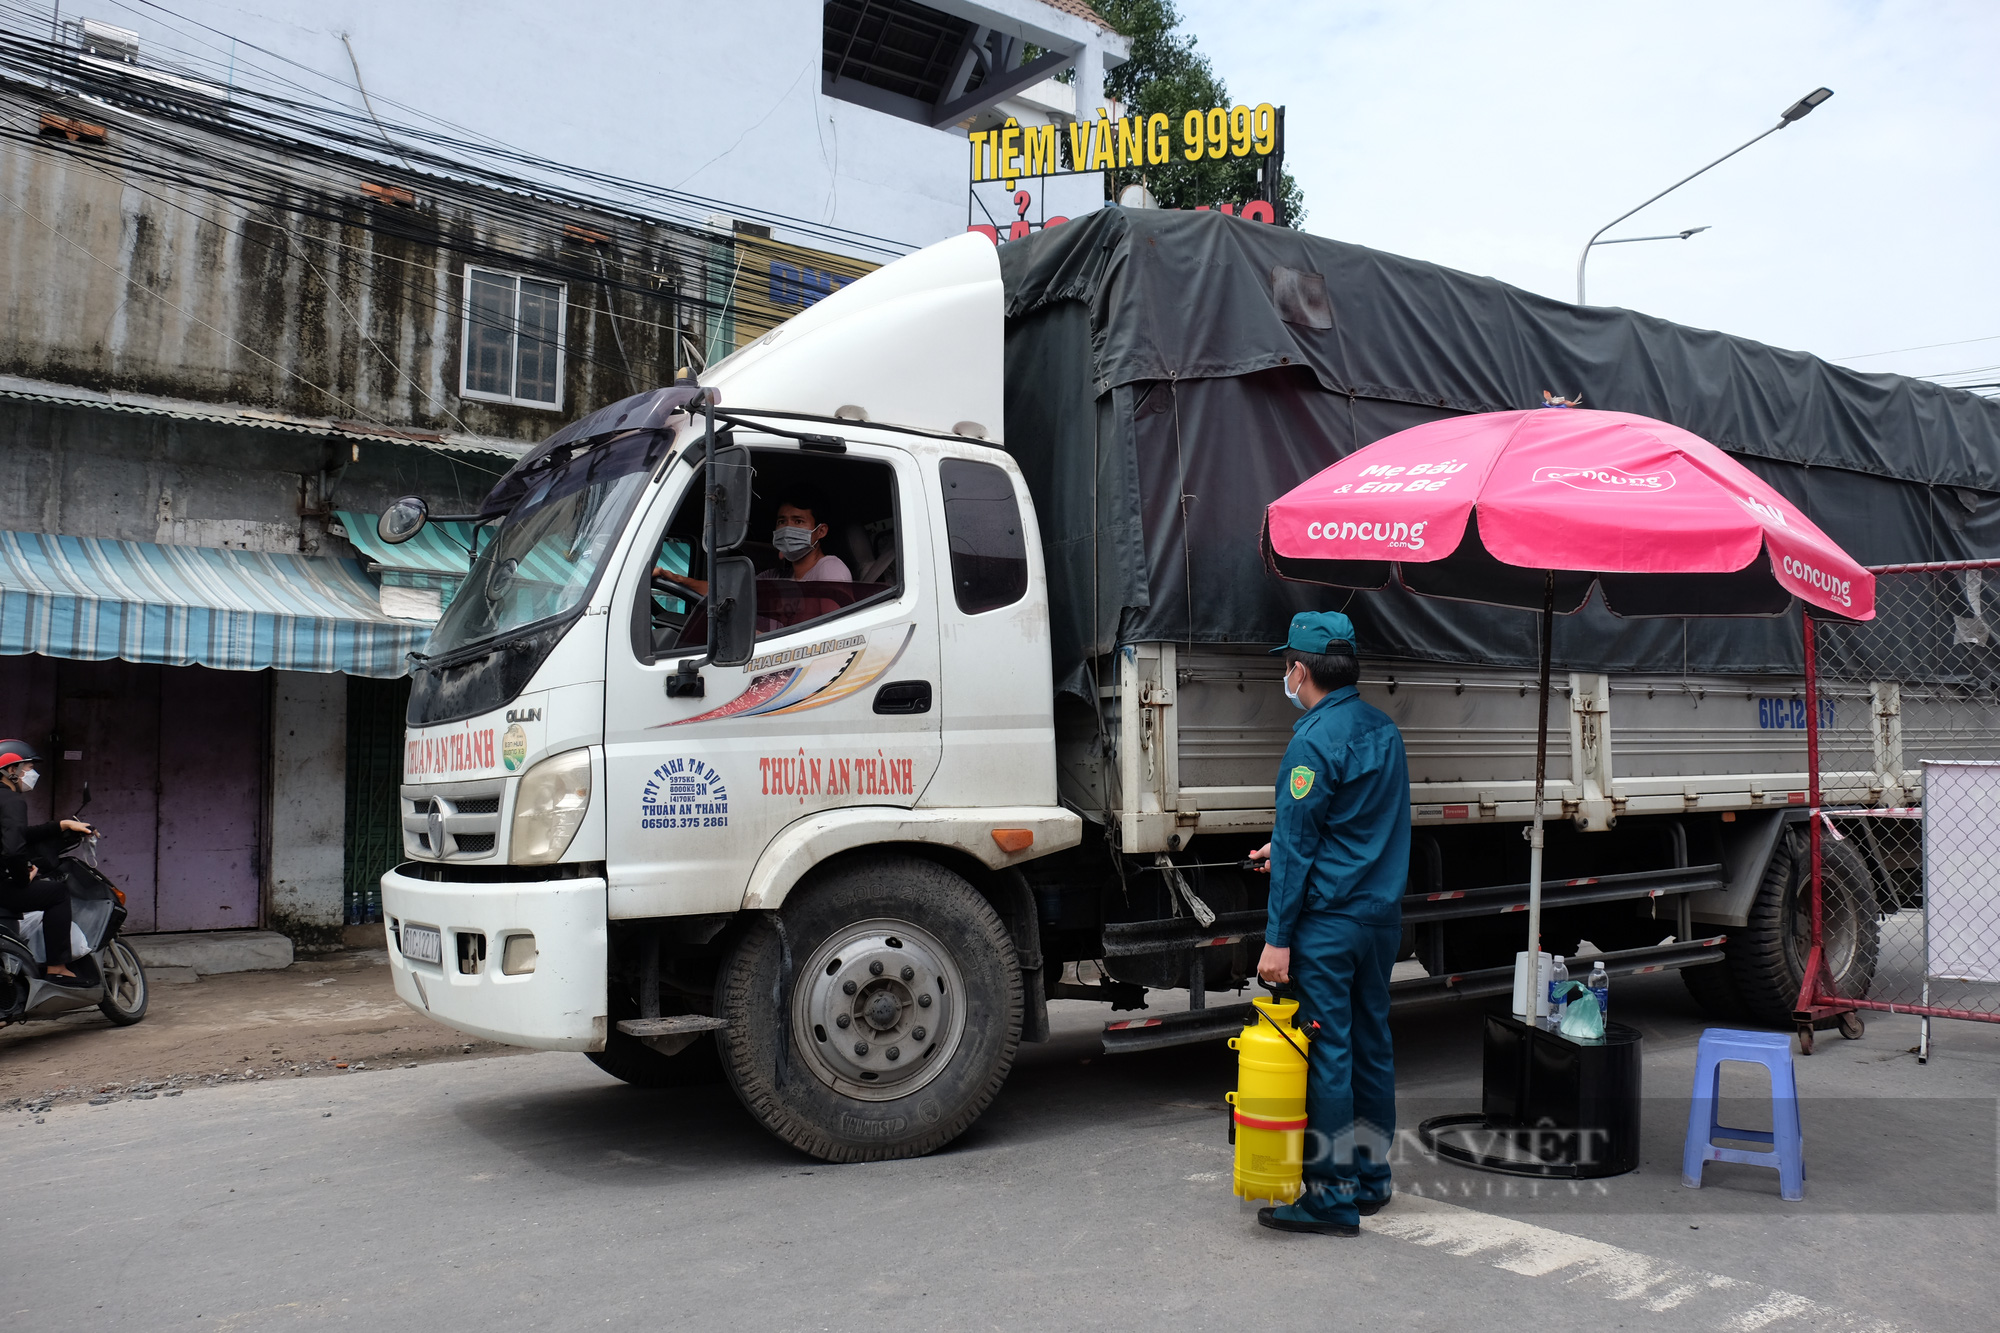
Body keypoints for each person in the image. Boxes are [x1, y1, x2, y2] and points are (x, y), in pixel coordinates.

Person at [1246, 612, 1410, 1237]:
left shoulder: (1311, 742)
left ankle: (1330, 1198)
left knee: (1330, 1054)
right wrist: (1282, 847)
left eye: (1286, 664)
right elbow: (1358, 824)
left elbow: (1299, 842)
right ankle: (1371, 1179)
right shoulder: (1382, 729)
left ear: (1301, 670)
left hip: (1329, 926)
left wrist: (1278, 939)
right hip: (1378, 920)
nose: (1285, 674)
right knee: (1373, 1044)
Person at [0, 740, 96, 983]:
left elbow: (18, 834)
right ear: (11, 771)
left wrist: (61, 825)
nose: (32, 774)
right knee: (57, 893)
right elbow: (13, 850)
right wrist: (23, 876)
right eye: (28, 767)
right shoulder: (12, 802)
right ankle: (57, 966)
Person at [655, 487, 852, 598]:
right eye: (781, 522)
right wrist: (674, 578)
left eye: (798, 521)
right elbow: (725, 592)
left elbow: (830, 633)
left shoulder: (830, 569)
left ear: (821, 531)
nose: (787, 529)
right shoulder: (774, 576)